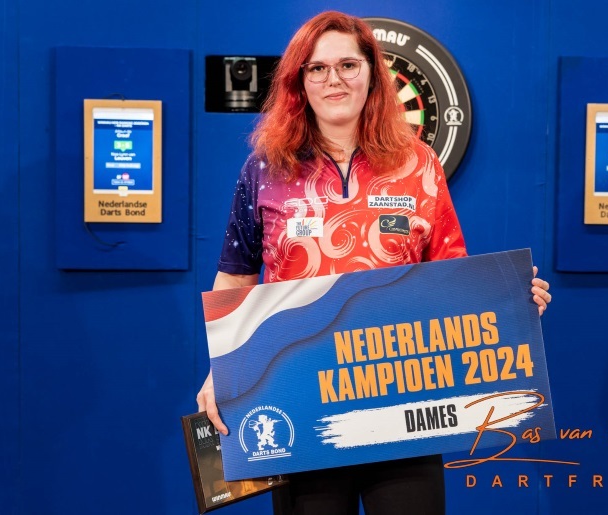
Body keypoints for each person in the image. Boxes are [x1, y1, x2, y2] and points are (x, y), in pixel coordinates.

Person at [196, 11, 552, 514]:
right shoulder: (266, 167)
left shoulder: (419, 162)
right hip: (300, 404)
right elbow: (235, 274)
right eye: (316, 68)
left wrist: (510, 305)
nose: (333, 79)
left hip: (403, 404)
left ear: (372, 73)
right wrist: (220, 372)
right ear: (299, 81)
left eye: (347, 64)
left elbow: (452, 276)